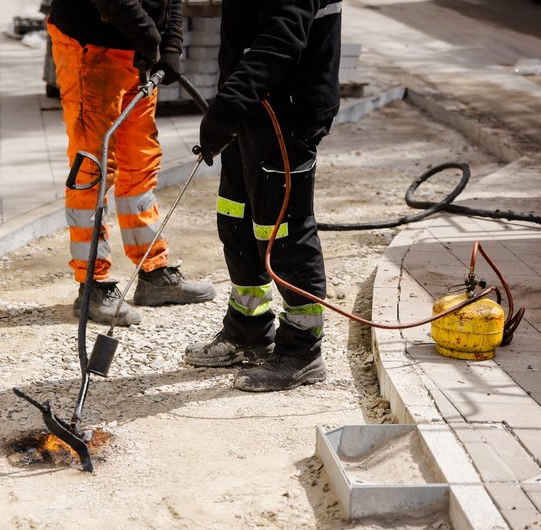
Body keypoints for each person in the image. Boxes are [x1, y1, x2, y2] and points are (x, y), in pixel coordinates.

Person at [185, 0, 343, 391]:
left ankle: (302, 351)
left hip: (287, 113)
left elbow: (282, 38)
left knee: (283, 230)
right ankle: (248, 330)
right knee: (236, 217)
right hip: (254, 108)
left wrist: (229, 105)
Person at [47, 0, 216, 326]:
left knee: (140, 161)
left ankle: (153, 272)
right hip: (89, 46)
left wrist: (171, 44)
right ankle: (92, 286)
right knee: (92, 168)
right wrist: (151, 39)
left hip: (135, 50)